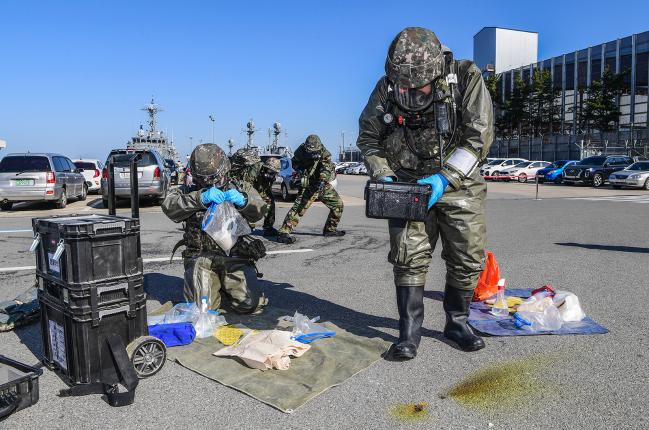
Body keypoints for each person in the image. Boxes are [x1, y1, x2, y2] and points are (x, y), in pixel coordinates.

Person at [356, 27, 494, 359]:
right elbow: (368, 138)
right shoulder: (385, 88)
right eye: (405, 85)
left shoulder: (465, 76)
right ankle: (409, 332)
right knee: (408, 255)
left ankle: (457, 322)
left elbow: (479, 135)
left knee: (468, 254)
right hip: (406, 182)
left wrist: (444, 179)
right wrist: (383, 175)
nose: (413, 91)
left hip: (458, 180)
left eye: (420, 85)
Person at [162, 144, 268, 314]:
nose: (210, 183)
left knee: (250, 304)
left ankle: (223, 291)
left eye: (214, 179)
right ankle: (212, 291)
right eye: (204, 180)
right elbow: (169, 206)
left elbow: (260, 210)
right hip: (201, 257)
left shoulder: (239, 187)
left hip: (235, 256)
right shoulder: (190, 191)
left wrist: (244, 201)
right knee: (201, 312)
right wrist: (200, 198)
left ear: (225, 170)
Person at [277, 135, 345, 244]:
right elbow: (295, 163)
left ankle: (330, 229)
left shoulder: (324, 153)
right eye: (310, 151)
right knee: (299, 208)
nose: (312, 152)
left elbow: (326, 168)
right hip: (308, 183)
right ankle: (283, 232)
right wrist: (303, 170)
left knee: (338, 205)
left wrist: (322, 180)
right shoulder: (301, 150)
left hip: (321, 183)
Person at [253, 157, 281, 237]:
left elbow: (267, 188)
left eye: (273, 172)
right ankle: (245, 226)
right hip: (251, 189)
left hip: (262, 190)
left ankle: (268, 227)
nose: (270, 173)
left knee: (271, 202)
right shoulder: (255, 170)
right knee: (248, 205)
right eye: (268, 170)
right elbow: (248, 184)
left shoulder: (272, 176)